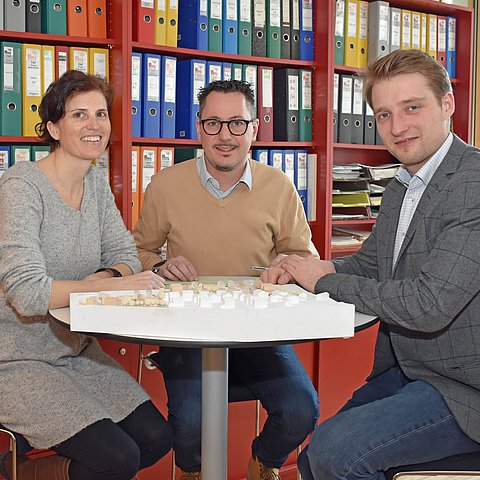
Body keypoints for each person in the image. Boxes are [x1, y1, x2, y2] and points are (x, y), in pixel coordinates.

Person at [261, 48, 480, 480]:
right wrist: (304, 271)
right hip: (412, 369)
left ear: (448, 103)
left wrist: (323, 281)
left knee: (336, 455)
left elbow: (427, 304)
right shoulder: (403, 184)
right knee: (311, 456)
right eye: (383, 114)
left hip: (464, 387)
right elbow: (370, 266)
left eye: (411, 108)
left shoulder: (473, 182)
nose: (397, 128)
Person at [133, 79, 319, 480]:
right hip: (186, 328)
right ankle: (194, 472)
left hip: (258, 328)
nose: (225, 136)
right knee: (187, 424)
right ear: (199, 128)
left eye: (237, 123)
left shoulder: (278, 186)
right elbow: (136, 253)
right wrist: (160, 267)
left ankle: (264, 462)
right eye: (213, 123)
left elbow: (305, 258)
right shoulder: (166, 185)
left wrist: (286, 267)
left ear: (254, 129)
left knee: (300, 410)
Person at [0, 70, 173, 480]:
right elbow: (26, 293)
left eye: (100, 113)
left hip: (75, 348)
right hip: (16, 359)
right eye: (79, 115)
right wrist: (111, 284)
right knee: (116, 459)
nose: (94, 125)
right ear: (54, 127)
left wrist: (106, 275)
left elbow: (125, 255)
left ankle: (17, 473)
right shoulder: (22, 185)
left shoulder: (94, 181)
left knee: (155, 440)